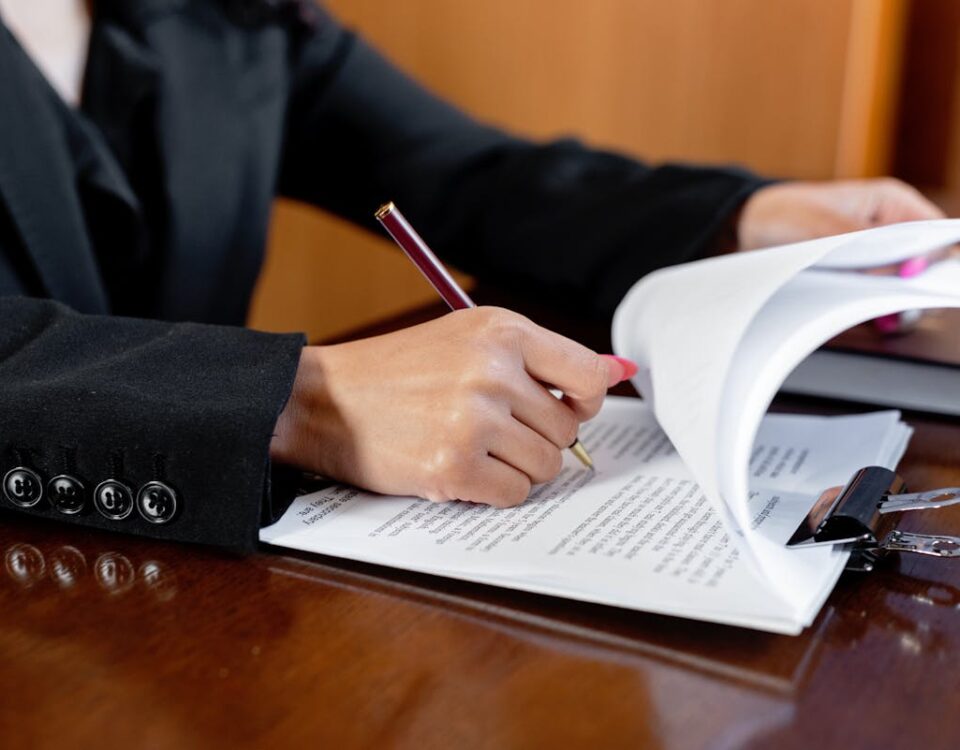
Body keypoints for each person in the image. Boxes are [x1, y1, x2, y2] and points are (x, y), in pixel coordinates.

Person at [0, 0, 945, 551]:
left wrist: (746, 215)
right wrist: (297, 399)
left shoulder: (227, 15)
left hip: (203, 604)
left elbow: (471, 176)